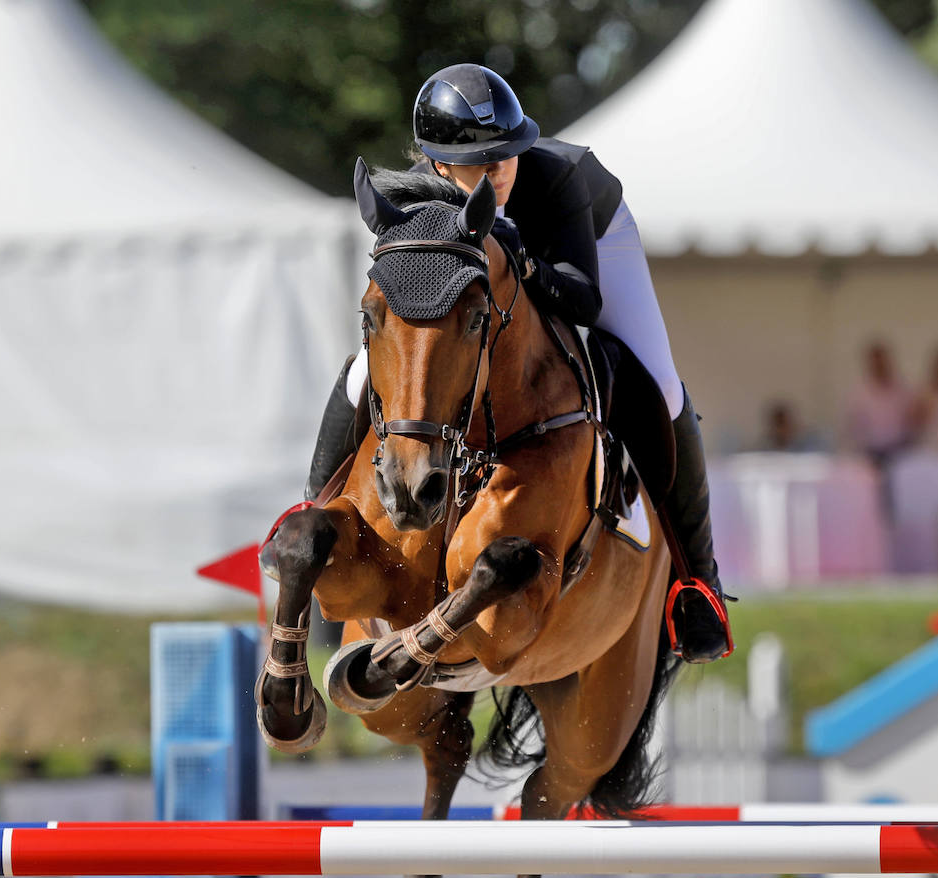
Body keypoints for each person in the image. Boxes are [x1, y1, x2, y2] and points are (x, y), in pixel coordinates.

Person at [304, 63, 730, 663]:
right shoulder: (426, 197)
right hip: (495, 282)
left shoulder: (557, 180)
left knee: (661, 385)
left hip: (587, 248)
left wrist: (521, 260)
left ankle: (697, 583)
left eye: (507, 154)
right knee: (359, 371)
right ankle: (311, 512)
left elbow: (584, 298)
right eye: (482, 162)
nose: (500, 171)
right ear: (439, 165)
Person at [845, 340, 916, 468]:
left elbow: (912, 423)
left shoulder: (903, 391)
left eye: (882, 360)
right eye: (875, 361)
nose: (879, 365)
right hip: (869, 454)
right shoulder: (859, 394)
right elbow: (854, 429)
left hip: (898, 452)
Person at [759, 400, 827, 453]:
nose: (782, 429)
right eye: (779, 425)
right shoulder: (766, 448)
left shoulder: (806, 444)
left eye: (785, 423)